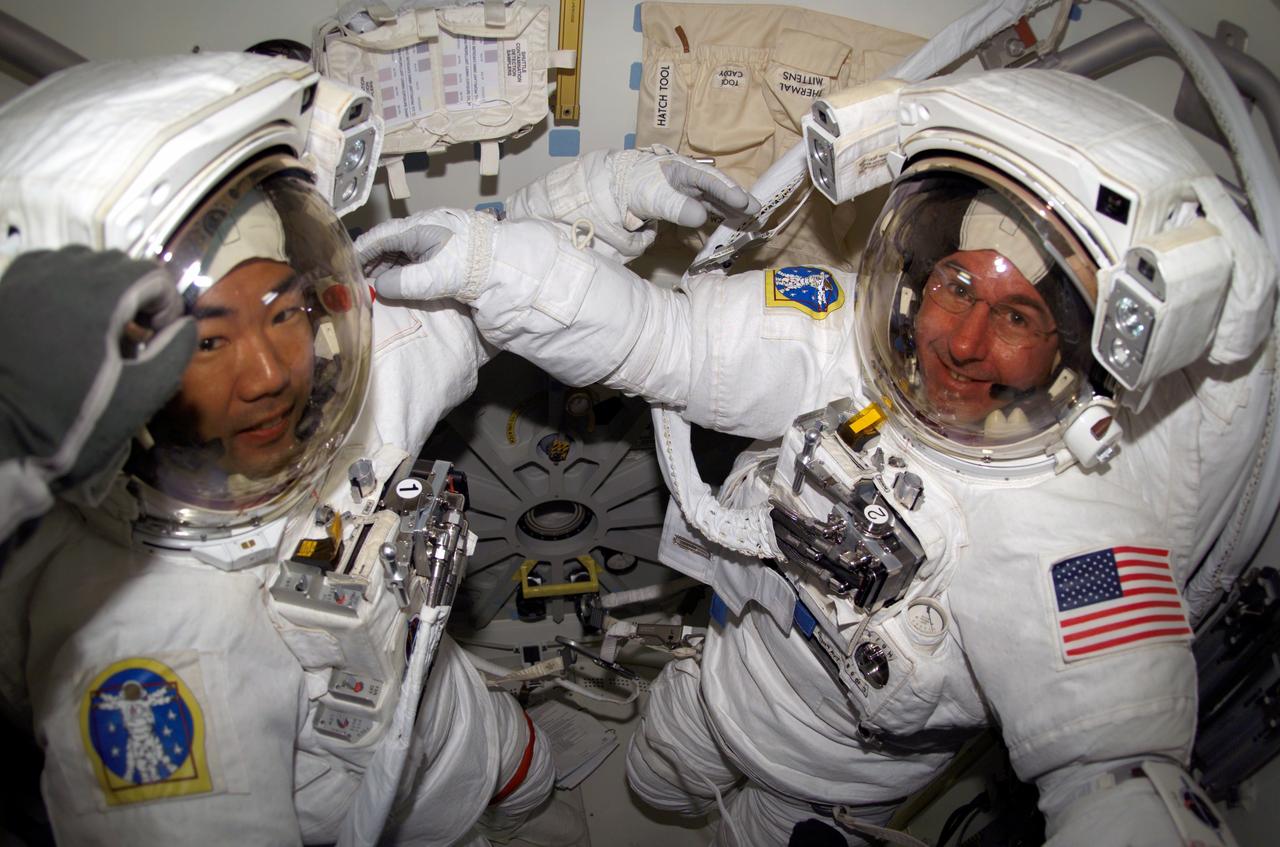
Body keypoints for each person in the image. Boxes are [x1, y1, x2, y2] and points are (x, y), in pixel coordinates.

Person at [353, 67, 1275, 845]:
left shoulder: (1078, 533)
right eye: (956, 285)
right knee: (653, 784)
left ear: (1069, 346)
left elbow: (1114, 773)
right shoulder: (846, 339)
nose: (962, 339)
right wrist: (492, 268)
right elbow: (656, 337)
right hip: (715, 688)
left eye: (1019, 316)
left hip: (828, 784)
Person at [0, 51, 755, 846]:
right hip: (385, 815)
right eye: (209, 341)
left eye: (283, 312)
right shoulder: (148, 652)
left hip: (453, 709)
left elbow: (477, 278)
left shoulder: (346, 385)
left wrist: (610, 195)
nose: (267, 374)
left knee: (535, 793)